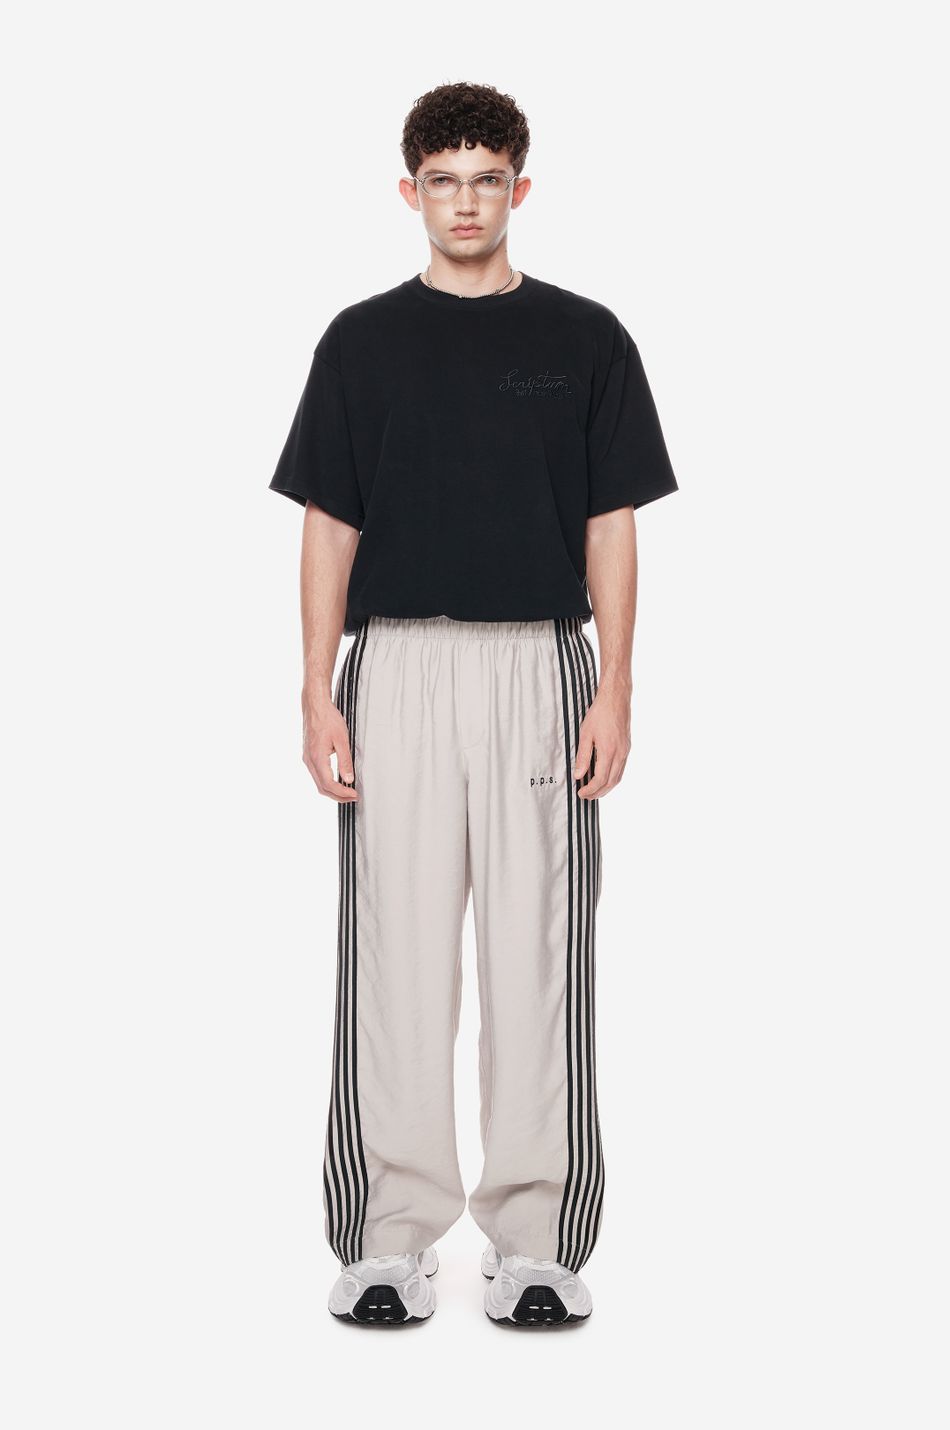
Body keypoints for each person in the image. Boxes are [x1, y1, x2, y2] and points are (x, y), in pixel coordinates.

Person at [268, 81, 679, 1328]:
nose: (463, 201)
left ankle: (536, 1241)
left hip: (536, 667)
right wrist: (315, 690)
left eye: (485, 179)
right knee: (390, 953)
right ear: (409, 192)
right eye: (441, 181)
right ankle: (387, 1239)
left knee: (537, 950)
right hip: (393, 663)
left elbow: (610, 524)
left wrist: (615, 683)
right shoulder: (359, 341)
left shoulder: (584, 338)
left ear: (519, 188)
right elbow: (327, 525)